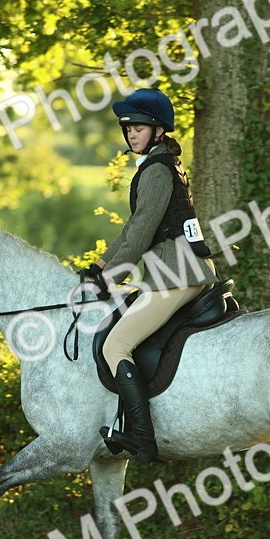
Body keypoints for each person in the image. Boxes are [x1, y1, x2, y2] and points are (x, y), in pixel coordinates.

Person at [81, 88, 217, 464]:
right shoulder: (162, 164)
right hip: (179, 271)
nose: (131, 135)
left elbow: (142, 229)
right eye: (127, 129)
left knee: (114, 346)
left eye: (138, 128)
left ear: (158, 130)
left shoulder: (156, 170)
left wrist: (110, 273)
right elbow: (133, 228)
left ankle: (141, 435)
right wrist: (102, 264)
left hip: (175, 275)